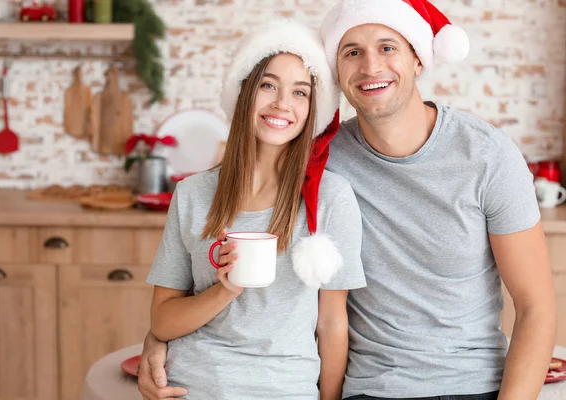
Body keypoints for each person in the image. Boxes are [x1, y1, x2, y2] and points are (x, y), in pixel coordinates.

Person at [139, 0, 558, 399]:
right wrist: (159, 343)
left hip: (469, 382)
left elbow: (536, 307)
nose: (370, 66)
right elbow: (199, 260)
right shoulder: (322, 159)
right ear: (336, 73)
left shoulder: (487, 155)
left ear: (418, 58)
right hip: (370, 386)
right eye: (352, 51)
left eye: (387, 47)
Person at [143, 19, 367, 400]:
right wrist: (224, 290)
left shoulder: (331, 198)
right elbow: (162, 322)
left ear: (313, 109)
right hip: (193, 386)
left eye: (300, 92)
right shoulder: (193, 194)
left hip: (285, 389)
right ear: (245, 90)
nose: (282, 103)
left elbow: (332, 324)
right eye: (268, 85)